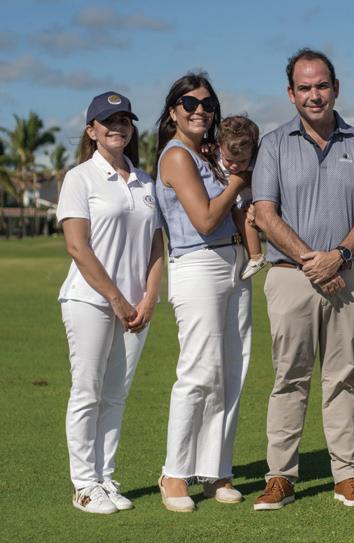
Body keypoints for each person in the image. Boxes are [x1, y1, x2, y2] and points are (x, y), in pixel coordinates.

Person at [251, 48, 354, 511]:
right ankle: (280, 477)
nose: (314, 95)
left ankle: (347, 476)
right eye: (304, 87)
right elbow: (264, 213)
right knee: (289, 378)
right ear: (291, 94)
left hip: (348, 277)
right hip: (292, 278)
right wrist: (314, 262)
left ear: (336, 88)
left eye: (321, 85)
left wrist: (338, 256)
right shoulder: (273, 144)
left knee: (342, 379)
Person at [57, 91, 164, 514]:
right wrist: (116, 298)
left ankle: (105, 478)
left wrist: (150, 296)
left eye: (124, 120)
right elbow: (78, 247)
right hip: (90, 301)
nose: (118, 127)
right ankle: (84, 485)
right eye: (108, 121)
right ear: (91, 131)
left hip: (137, 306)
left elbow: (156, 245)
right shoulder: (79, 178)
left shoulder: (146, 181)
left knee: (116, 394)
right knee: (88, 392)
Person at [154, 73, 252, 512]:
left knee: (232, 370)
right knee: (198, 372)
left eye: (208, 104)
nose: (200, 111)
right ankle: (175, 473)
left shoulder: (208, 154)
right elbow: (206, 219)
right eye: (190, 103)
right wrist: (238, 181)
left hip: (234, 263)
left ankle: (215, 470)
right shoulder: (177, 156)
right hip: (198, 264)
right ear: (173, 111)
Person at [215, 115, 266, 280]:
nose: (235, 166)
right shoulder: (214, 153)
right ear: (219, 147)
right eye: (229, 160)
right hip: (230, 202)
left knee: (242, 214)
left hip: (248, 200)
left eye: (243, 161)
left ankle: (256, 256)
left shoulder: (258, 160)